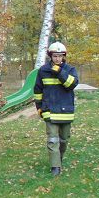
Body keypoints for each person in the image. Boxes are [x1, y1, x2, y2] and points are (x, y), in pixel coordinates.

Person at [33, 41, 79, 177]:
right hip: (49, 111)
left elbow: (71, 85)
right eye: (55, 56)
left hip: (66, 112)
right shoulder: (43, 70)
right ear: (50, 56)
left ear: (63, 56)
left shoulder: (70, 70)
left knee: (63, 140)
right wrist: (39, 107)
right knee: (53, 140)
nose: (57, 59)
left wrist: (59, 72)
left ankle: (59, 160)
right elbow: (37, 90)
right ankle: (55, 167)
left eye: (60, 56)